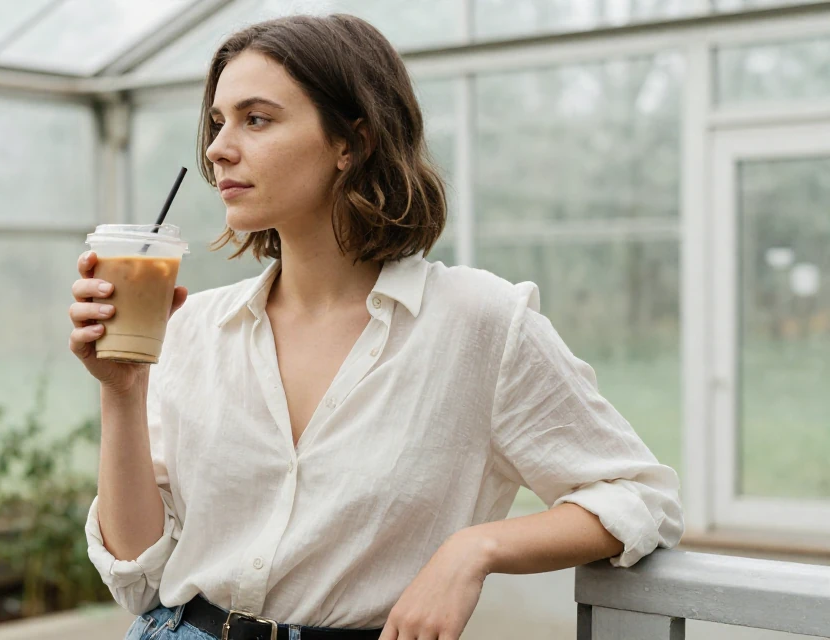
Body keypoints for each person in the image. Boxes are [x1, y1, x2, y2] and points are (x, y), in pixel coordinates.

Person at [68, 13, 683, 640]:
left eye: (256, 119)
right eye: (217, 122)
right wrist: (121, 393)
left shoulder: (480, 324)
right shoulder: (193, 326)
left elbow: (638, 498)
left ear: (351, 142)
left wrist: (474, 550)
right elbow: (139, 579)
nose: (218, 147)